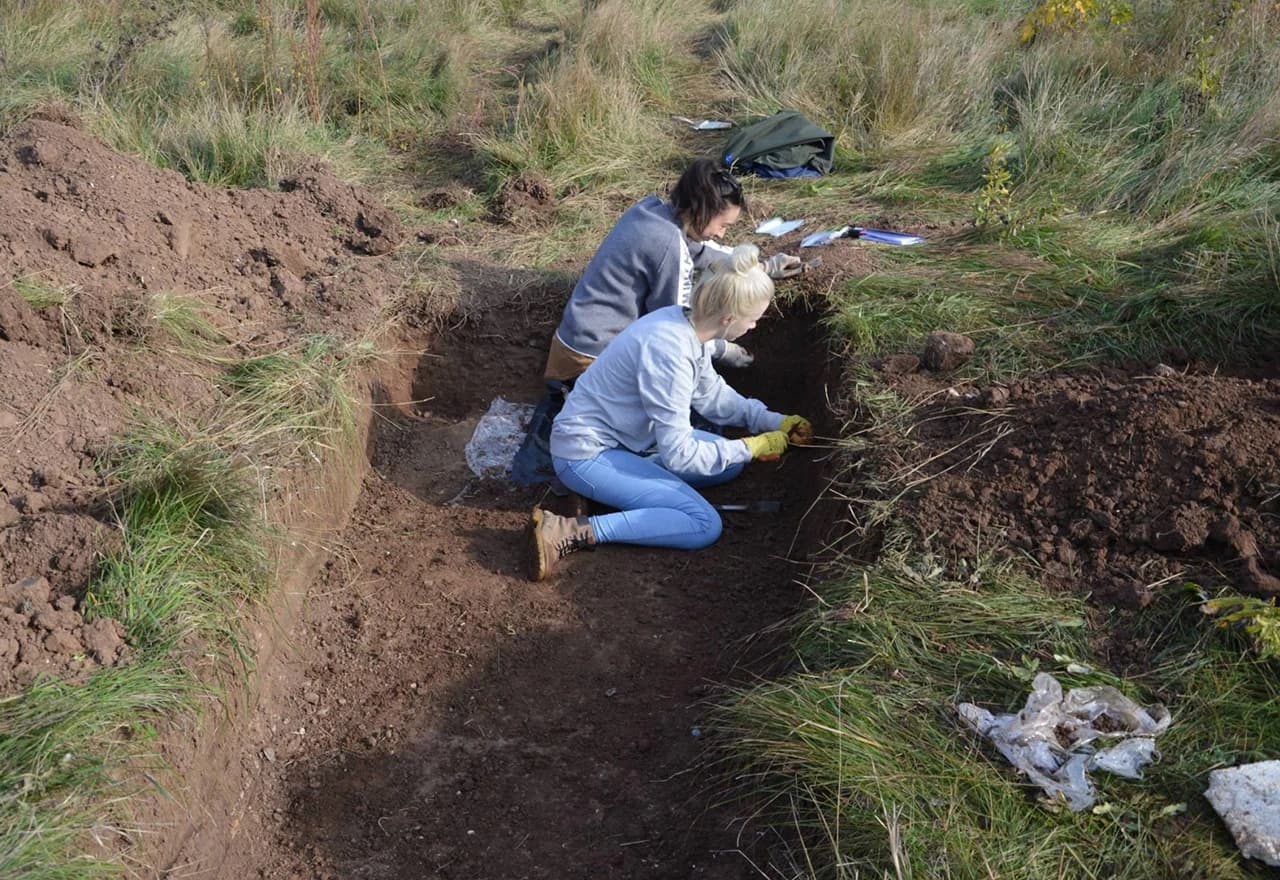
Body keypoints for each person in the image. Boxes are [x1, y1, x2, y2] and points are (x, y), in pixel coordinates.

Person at [526, 244, 811, 582]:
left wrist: (773, 422)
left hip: (627, 443)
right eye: (754, 318)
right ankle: (570, 529)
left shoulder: (689, 326)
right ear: (729, 318)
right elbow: (679, 455)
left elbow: (711, 395)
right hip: (586, 454)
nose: (753, 326)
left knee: (727, 467)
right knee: (704, 524)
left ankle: (621, 491)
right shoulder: (669, 353)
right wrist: (752, 447)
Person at [543, 157, 802, 382]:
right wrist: (722, 349)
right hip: (591, 361)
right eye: (723, 225)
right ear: (703, 211)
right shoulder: (669, 248)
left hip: (570, 343)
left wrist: (763, 266)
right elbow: (678, 329)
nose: (722, 235)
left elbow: (700, 249)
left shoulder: (651, 210)